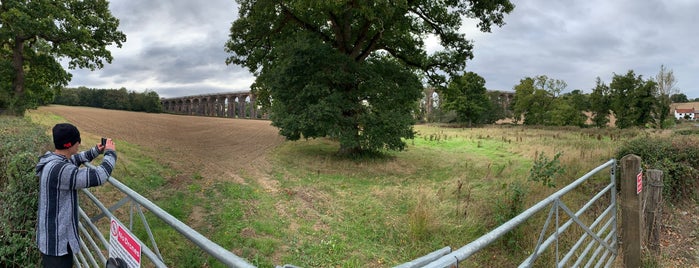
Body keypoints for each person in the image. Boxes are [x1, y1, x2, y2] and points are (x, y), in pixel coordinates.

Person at [35, 123, 117, 268]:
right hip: (56, 245)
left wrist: (96, 151)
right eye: (77, 140)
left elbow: (75, 159)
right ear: (68, 144)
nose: (79, 143)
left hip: (50, 238)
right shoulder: (61, 170)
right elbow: (99, 176)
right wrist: (110, 153)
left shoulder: (52, 160)